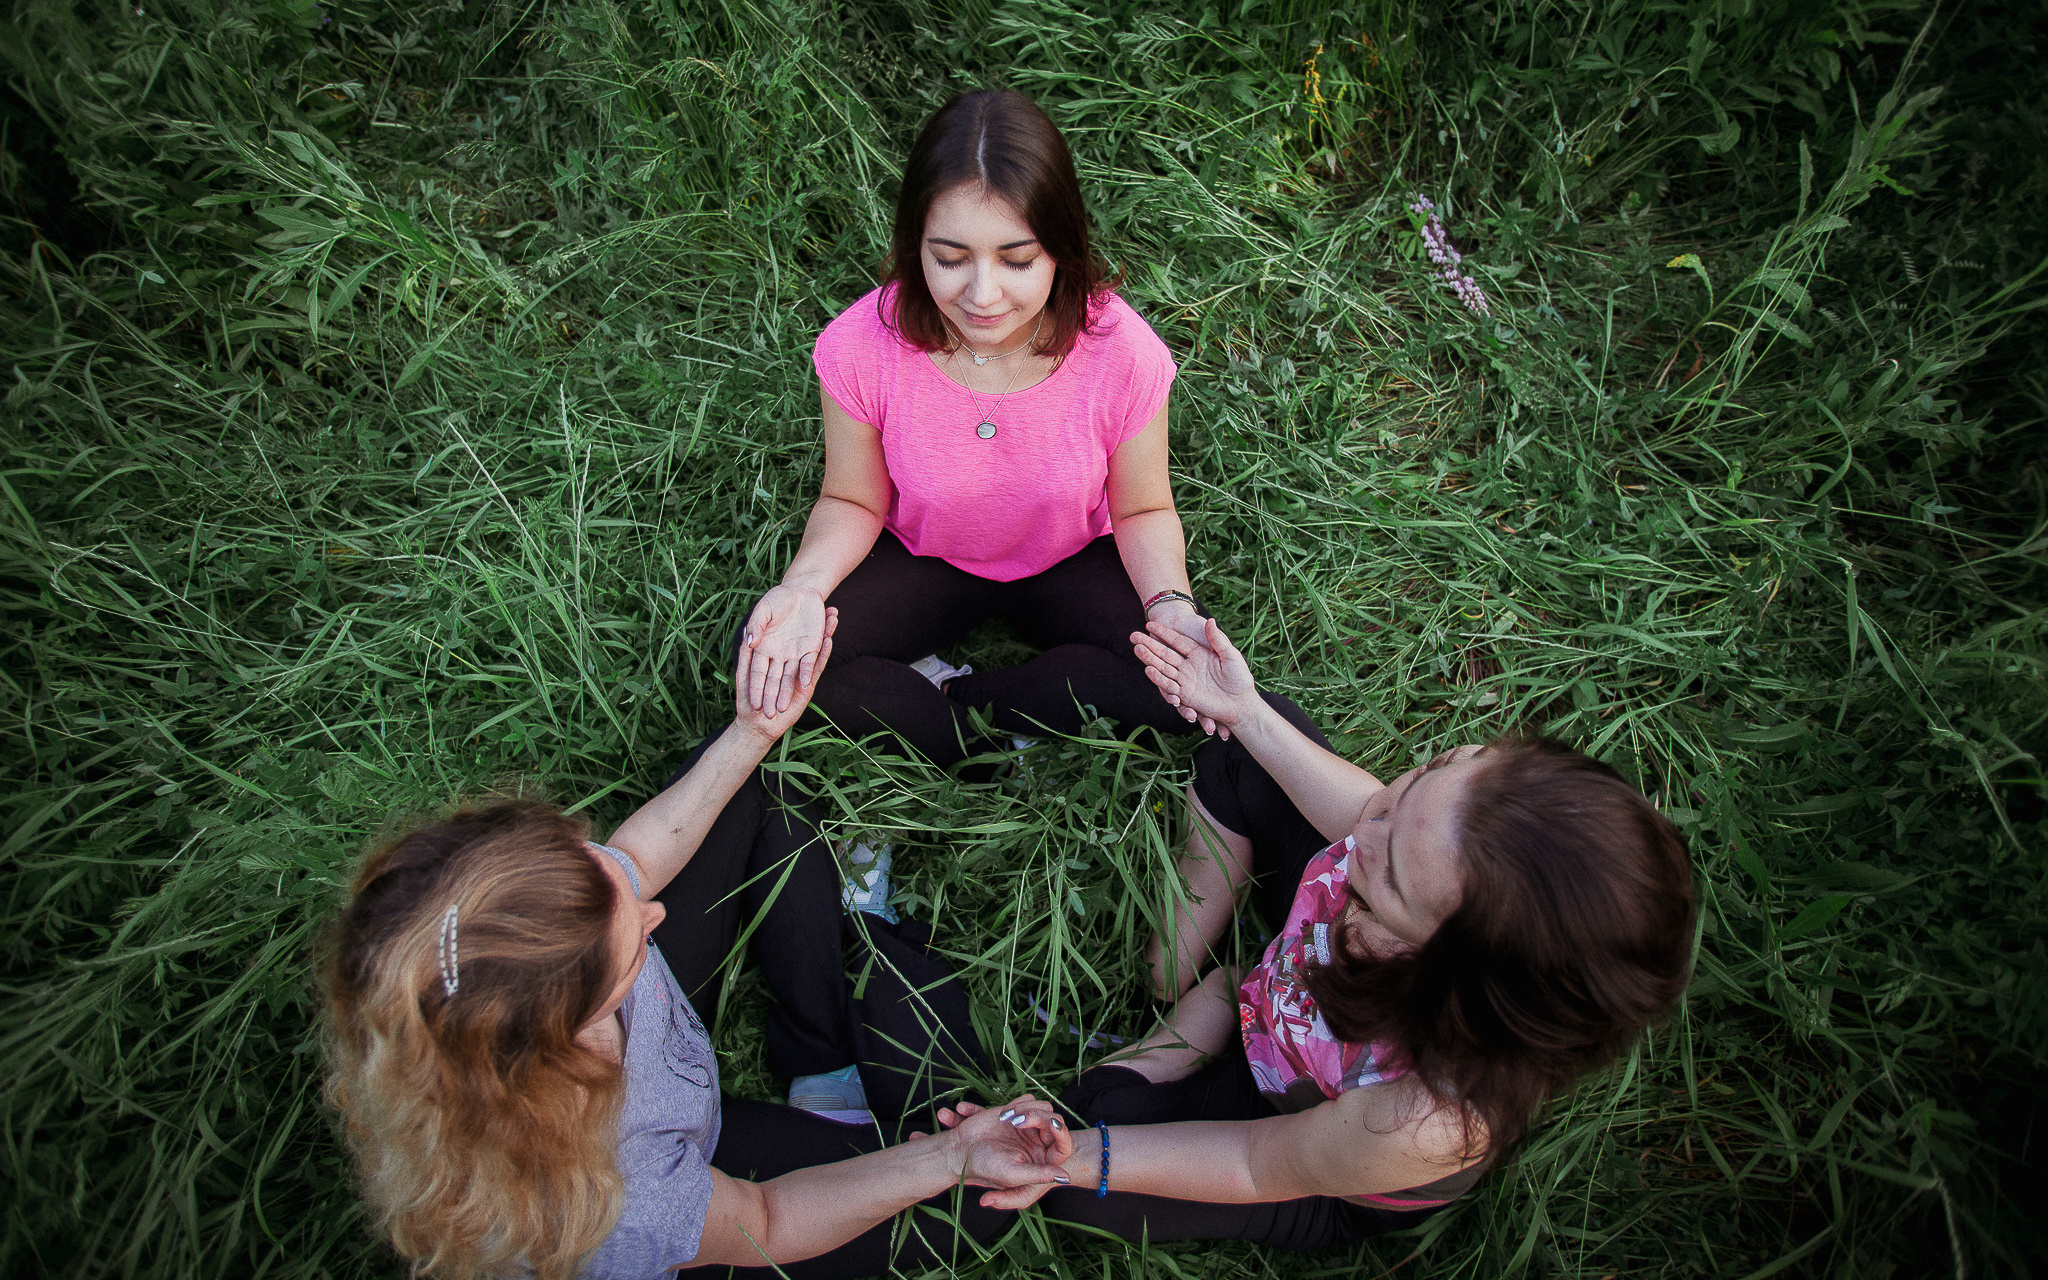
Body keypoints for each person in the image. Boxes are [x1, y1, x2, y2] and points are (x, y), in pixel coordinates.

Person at [317, 612, 1077, 1280]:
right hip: (708, 1188)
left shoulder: (531, 930)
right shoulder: (617, 1196)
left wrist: (754, 729)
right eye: (627, 955)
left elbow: (636, 862)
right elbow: (768, 1218)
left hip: (646, 1074)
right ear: (570, 1040)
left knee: (748, 776)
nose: (654, 916)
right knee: (975, 1197)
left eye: (607, 883)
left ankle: (818, 1056)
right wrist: (947, 1159)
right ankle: (854, 1064)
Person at [1000, 616, 1697, 1249]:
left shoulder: (1424, 1118)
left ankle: (1202, 1017)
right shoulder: (1407, 849)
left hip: (1300, 1132)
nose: (1363, 829)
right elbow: (1367, 812)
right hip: (1300, 994)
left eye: (1390, 874)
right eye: (1427, 776)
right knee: (1248, 743)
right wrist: (1244, 712)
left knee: (1086, 1172)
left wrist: (1082, 1157)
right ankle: (1183, 976)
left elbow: (1258, 1162)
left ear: (1446, 968)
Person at [736, 87, 1215, 771]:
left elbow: (1142, 506)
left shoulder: (1122, 351)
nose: (982, 295)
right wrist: (803, 590)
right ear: (914, 245)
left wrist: (1170, 606)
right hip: (925, 557)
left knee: (1181, 684)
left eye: (1017, 260)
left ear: (1062, 247)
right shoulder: (860, 346)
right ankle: (969, 748)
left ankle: (979, 695)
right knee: (772, 654)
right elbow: (853, 499)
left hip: (1070, 557)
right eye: (950, 257)